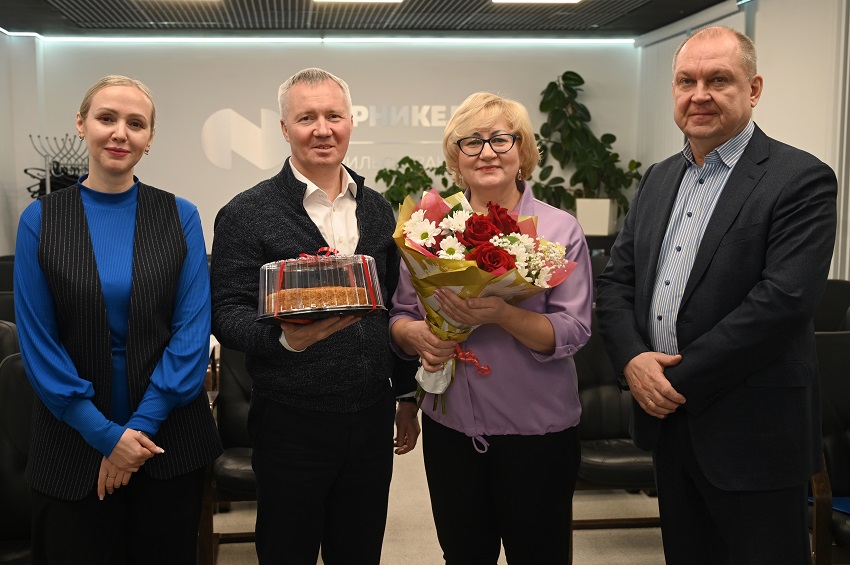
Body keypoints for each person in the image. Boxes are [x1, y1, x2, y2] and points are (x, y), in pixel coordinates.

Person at [595, 26, 837, 565]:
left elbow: (783, 302)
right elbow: (615, 284)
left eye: (718, 80)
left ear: (753, 89)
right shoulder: (659, 179)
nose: (699, 94)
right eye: (687, 81)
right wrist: (634, 360)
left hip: (753, 433)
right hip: (669, 428)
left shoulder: (800, 178)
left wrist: (668, 381)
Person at [210, 67, 419, 565]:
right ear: (285, 128)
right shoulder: (245, 212)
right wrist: (283, 340)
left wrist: (406, 395)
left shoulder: (379, 210)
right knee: (287, 552)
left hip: (370, 415)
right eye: (307, 118)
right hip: (289, 420)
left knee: (359, 552)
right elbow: (226, 312)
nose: (322, 129)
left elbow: (397, 306)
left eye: (333, 116)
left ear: (351, 122)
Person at [13, 75, 223, 564]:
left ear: (150, 139)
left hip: (168, 445)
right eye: (106, 118)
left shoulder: (180, 216)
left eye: (136, 123)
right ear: (81, 123)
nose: (120, 133)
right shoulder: (40, 221)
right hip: (72, 448)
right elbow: (40, 346)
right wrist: (107, 437)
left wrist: (136, 434)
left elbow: (191, 335)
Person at [389, 92, 593, 564]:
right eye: (471, 142)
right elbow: (400, 316)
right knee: (462, 555)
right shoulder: (428, 231)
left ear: (523, 151)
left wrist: (502, 314)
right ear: (455, 157)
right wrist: (416, 336)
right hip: (451, 429)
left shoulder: (558, 230)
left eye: (501, 139)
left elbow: (573, 330)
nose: (487, 152)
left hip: (537, 432)